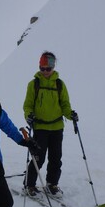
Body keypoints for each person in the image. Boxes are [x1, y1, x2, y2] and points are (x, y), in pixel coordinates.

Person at [22, 51, 78, 197]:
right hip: (40, 127)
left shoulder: (59, 84)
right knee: (38, 158)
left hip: (57, 127)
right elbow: (27, 105)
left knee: (55, 158)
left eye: (48, 69)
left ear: (53, 68)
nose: (45, 72)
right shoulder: (33, 84)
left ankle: (52, 184)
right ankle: (29, 185)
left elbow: (65, 104)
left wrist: (70, 114)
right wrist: (29, 116)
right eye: (42, 68)